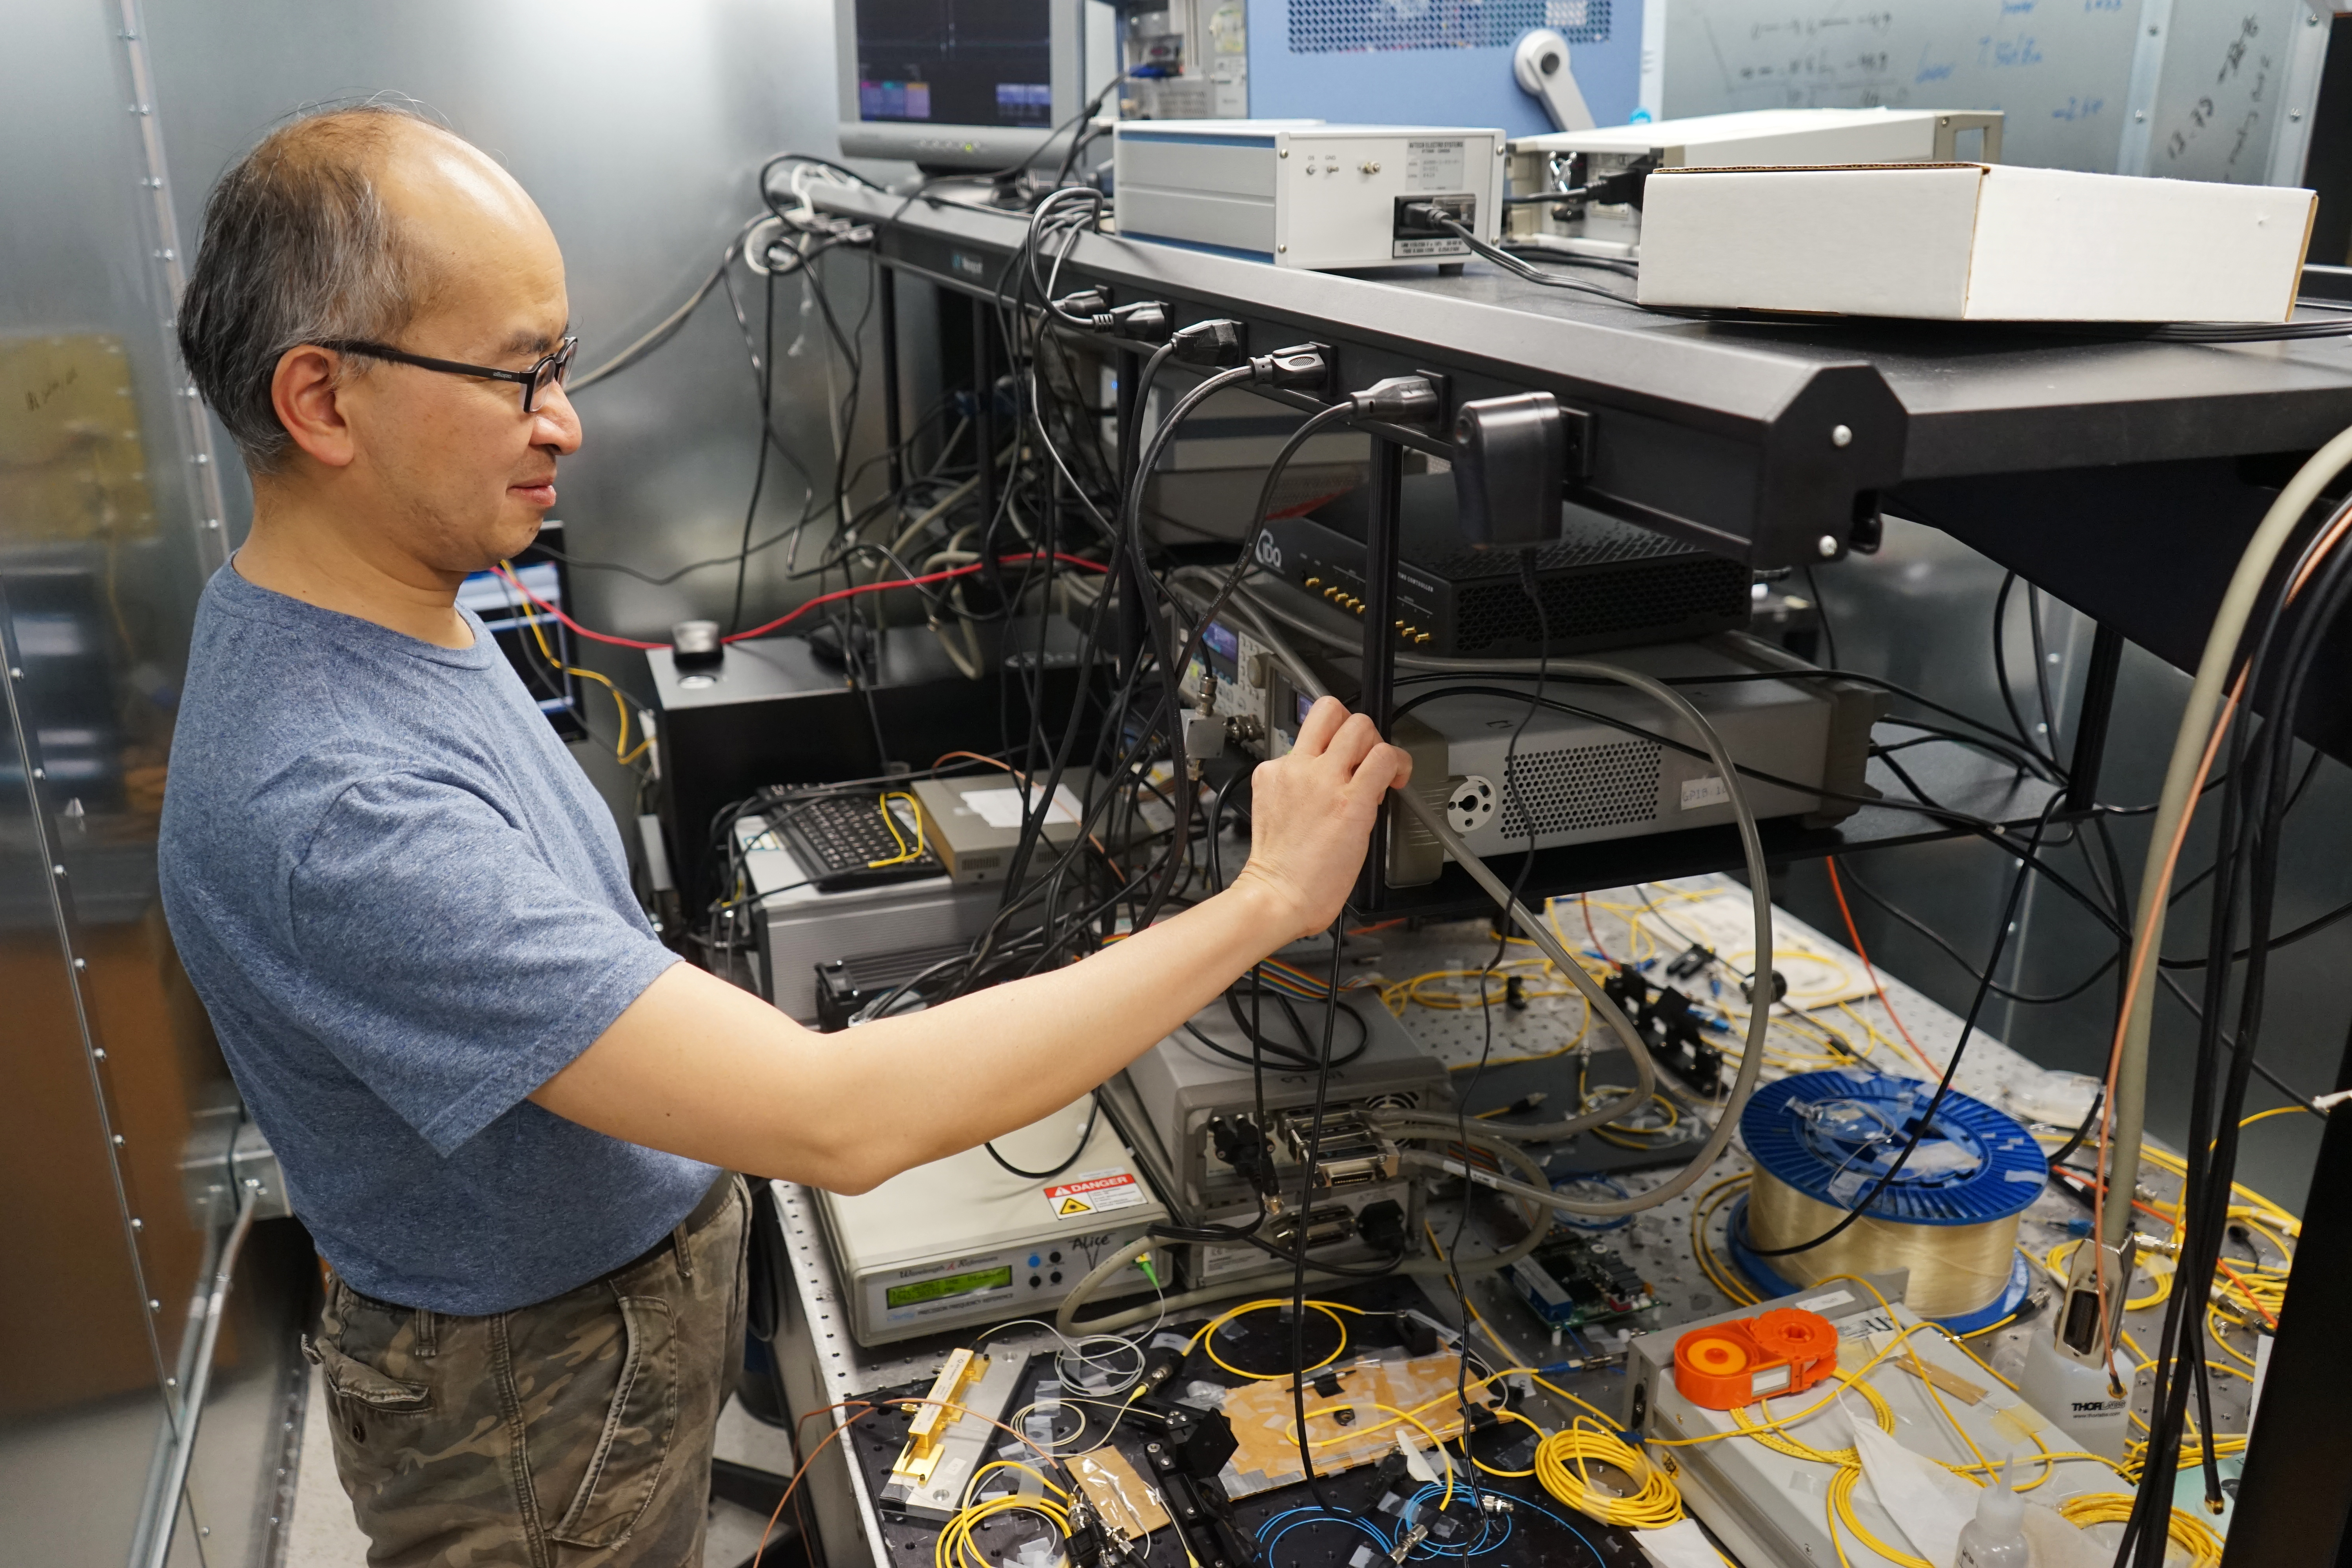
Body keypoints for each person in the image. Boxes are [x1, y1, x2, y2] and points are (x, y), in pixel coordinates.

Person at [158, 104, 1411, 1567]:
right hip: (532, 1407)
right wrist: (1264, 898)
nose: (566, 419)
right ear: (322, 403)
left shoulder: (373, 605)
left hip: (575, 1329)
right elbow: (841, 1122)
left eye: (557, 365)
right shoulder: (336, 804)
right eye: (520, 374)